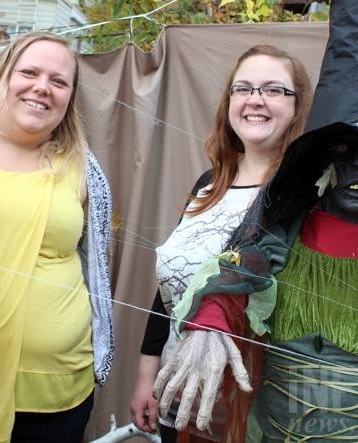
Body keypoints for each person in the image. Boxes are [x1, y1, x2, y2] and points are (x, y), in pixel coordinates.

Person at [155, 0, 358, 440]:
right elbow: (236, 274)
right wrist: (211, 322)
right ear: (322, 159)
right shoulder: (283, 232)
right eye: (343, 151)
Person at [0, 31, 113, 443]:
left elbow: (97, 269)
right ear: (1, 75)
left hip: (56, 395)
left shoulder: (85, 168)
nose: (41, 88)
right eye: (29, 72)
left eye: (58, 81)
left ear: (70, 96)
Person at [129, 45, 312, 441]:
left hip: (252, 407)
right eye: (242, 88)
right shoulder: (207, 186)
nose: (255, 100)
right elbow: (171, 288)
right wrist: (148, 374)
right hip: (177, 393)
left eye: (273, 90)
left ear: (298, 107)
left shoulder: (302, 196)